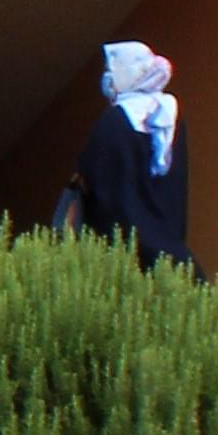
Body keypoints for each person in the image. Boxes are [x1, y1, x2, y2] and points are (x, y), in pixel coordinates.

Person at [70, 39, 193, 270]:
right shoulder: (171, 117)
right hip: (166, 240)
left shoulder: (116, 119)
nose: (107, 78)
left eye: (111, 70)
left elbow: (98, 181)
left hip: (121, 246)